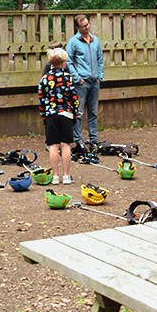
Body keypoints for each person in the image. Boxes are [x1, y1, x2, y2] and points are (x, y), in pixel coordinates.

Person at [38, 47, 80, 185]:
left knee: (53, 145)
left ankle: (55, 176)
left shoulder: (44, 79)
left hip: (51, 114)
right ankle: (66, 175)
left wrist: (44, 115)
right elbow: (74, 97)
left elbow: (41, 98)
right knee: (66, 145)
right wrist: (75, 113)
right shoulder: (68, 78)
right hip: (66, 113)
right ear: (63, 63)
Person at [66, 15, 104, 145]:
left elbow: (100, 59)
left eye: (87, 25)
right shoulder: (73, 42)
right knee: (78, 112)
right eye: (83, 26)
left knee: (93, 112)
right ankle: (79, 140)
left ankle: (93, 139)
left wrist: (100, 77)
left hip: (95, 82)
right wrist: (77, 78)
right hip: (81, 83)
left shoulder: (95, 40)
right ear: (78, 28)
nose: (86, 28)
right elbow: (68, 61)